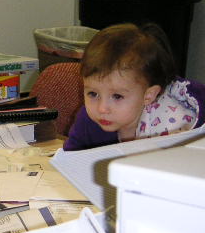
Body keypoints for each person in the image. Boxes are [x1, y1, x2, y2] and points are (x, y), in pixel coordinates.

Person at [64, 23, 205, 151]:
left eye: (117, 96)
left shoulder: (171, 130)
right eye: (93, 94)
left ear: (148, 95)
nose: (102, 108)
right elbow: (69, 160)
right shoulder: (89, 120)